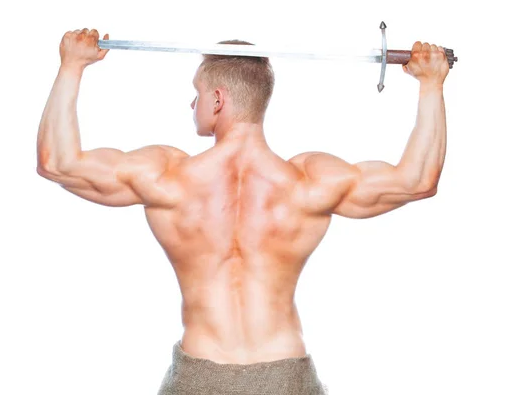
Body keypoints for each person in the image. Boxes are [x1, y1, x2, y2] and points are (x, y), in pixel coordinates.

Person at [36, 28, 449, 395]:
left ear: (218, 100)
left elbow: (56, 161)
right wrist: (431, 84)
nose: (192, 103)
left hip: (200, 378)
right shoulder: (308, 182)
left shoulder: (167, 177)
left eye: (197, 93)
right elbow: (417, 180)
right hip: (286, 378)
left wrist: (72, 65)